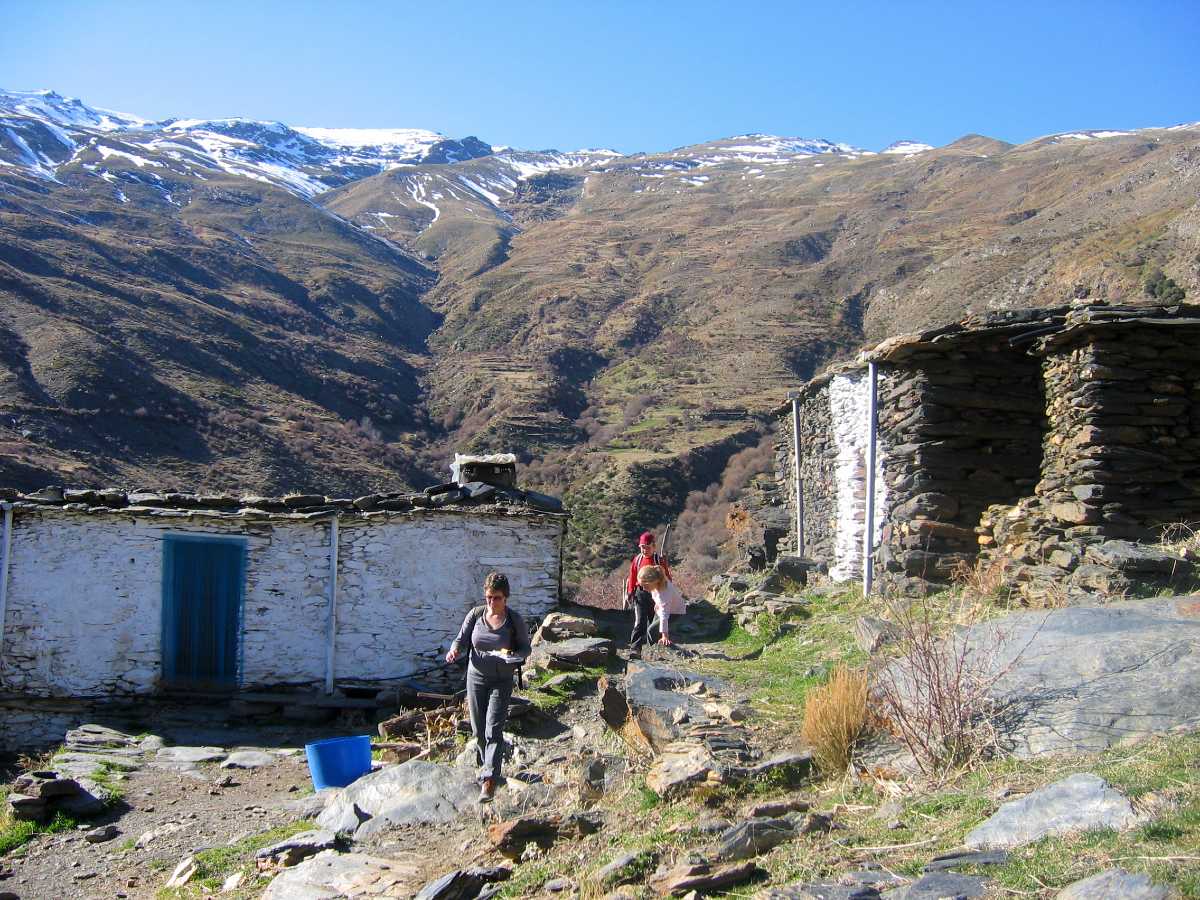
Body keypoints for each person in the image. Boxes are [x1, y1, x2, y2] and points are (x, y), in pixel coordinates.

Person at [446, 572, 530, 803]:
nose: (492, 603)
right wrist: (454, 651)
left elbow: (525, 648)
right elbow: (461, 640)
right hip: (475, 678)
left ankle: (489, 779)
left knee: (494, 728)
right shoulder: (476, 616)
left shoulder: (514, 621)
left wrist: (515, 658)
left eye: (497, 598)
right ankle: (486, 766)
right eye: (489, 597)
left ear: (506, 598)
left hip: (501, 681)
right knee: (478, 729)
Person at [625, 531, 672, 659]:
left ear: (653, 546)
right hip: (640, 594)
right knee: (639, 622)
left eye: (647, 547)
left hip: (656, 595)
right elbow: (632, 575)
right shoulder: (638, 559)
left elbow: (667, 577)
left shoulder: (658, 560)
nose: (644, 550)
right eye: (642, 547)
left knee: (653, 623)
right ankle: (635, 649)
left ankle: (654, 649)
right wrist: (630, 592)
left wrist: (666, 593)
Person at [636, 564, 686, 647]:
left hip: (674, 612)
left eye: (645, 586)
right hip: (661, 609)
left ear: (653, 582)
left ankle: (656, 649)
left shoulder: (664, 592)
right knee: (651, 628)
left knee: (651, 630)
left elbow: (664, 616)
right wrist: (657, 604)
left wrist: (665, 636)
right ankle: (652, 648)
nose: (644, 589)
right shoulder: (658, 582)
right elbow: (656, 597)